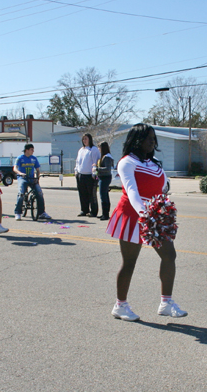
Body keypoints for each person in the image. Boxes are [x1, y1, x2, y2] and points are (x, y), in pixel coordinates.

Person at [106, 123, 187, 322]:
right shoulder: (127, 162)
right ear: (137, 140)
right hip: (133, 216)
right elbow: (132, 192)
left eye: (154, 138)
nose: (153, 142)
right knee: (130, 262)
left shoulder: (155, 162)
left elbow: (164, 187)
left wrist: (163, 210)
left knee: (169, 255)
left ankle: (166, 303)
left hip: (154, 216)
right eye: (149, 138)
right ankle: (120, 305)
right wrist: (146, 215)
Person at [13, 144, 52, 221]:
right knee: (21, 194)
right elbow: (15, 168)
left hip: (31, 178)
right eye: (31, 149)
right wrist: (20, 173)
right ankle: (18, 212)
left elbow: (37, 169)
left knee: (39, 193)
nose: (33, 151)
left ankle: (41, 213)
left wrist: (37, 178)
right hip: (23, 178)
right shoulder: (20, 158)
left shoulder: (34, 158)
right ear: (26, 150)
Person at [74, 133, 100, 217]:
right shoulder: (81, 150)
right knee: (82, 193)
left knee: (91, 195)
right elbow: (77, 162)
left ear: (90, 139)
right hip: (81, 174)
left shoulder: (93, 149)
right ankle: (84, 210)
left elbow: (95, 162)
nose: (84, 141)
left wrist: (94, 174)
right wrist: (76, 171)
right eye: (83, 139)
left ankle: (93, 211)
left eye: (86, 139)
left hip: (90, 175)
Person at [96, 141, 114, 220]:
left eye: (99, 147)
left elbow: (107, 169)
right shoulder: (104, 157)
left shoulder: (107, 157)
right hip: (102, 178)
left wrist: (97, 169)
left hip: (105, 178)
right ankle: (104, 213)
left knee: (103, 196)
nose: (98, 149)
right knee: (104, 195)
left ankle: (105, 214)